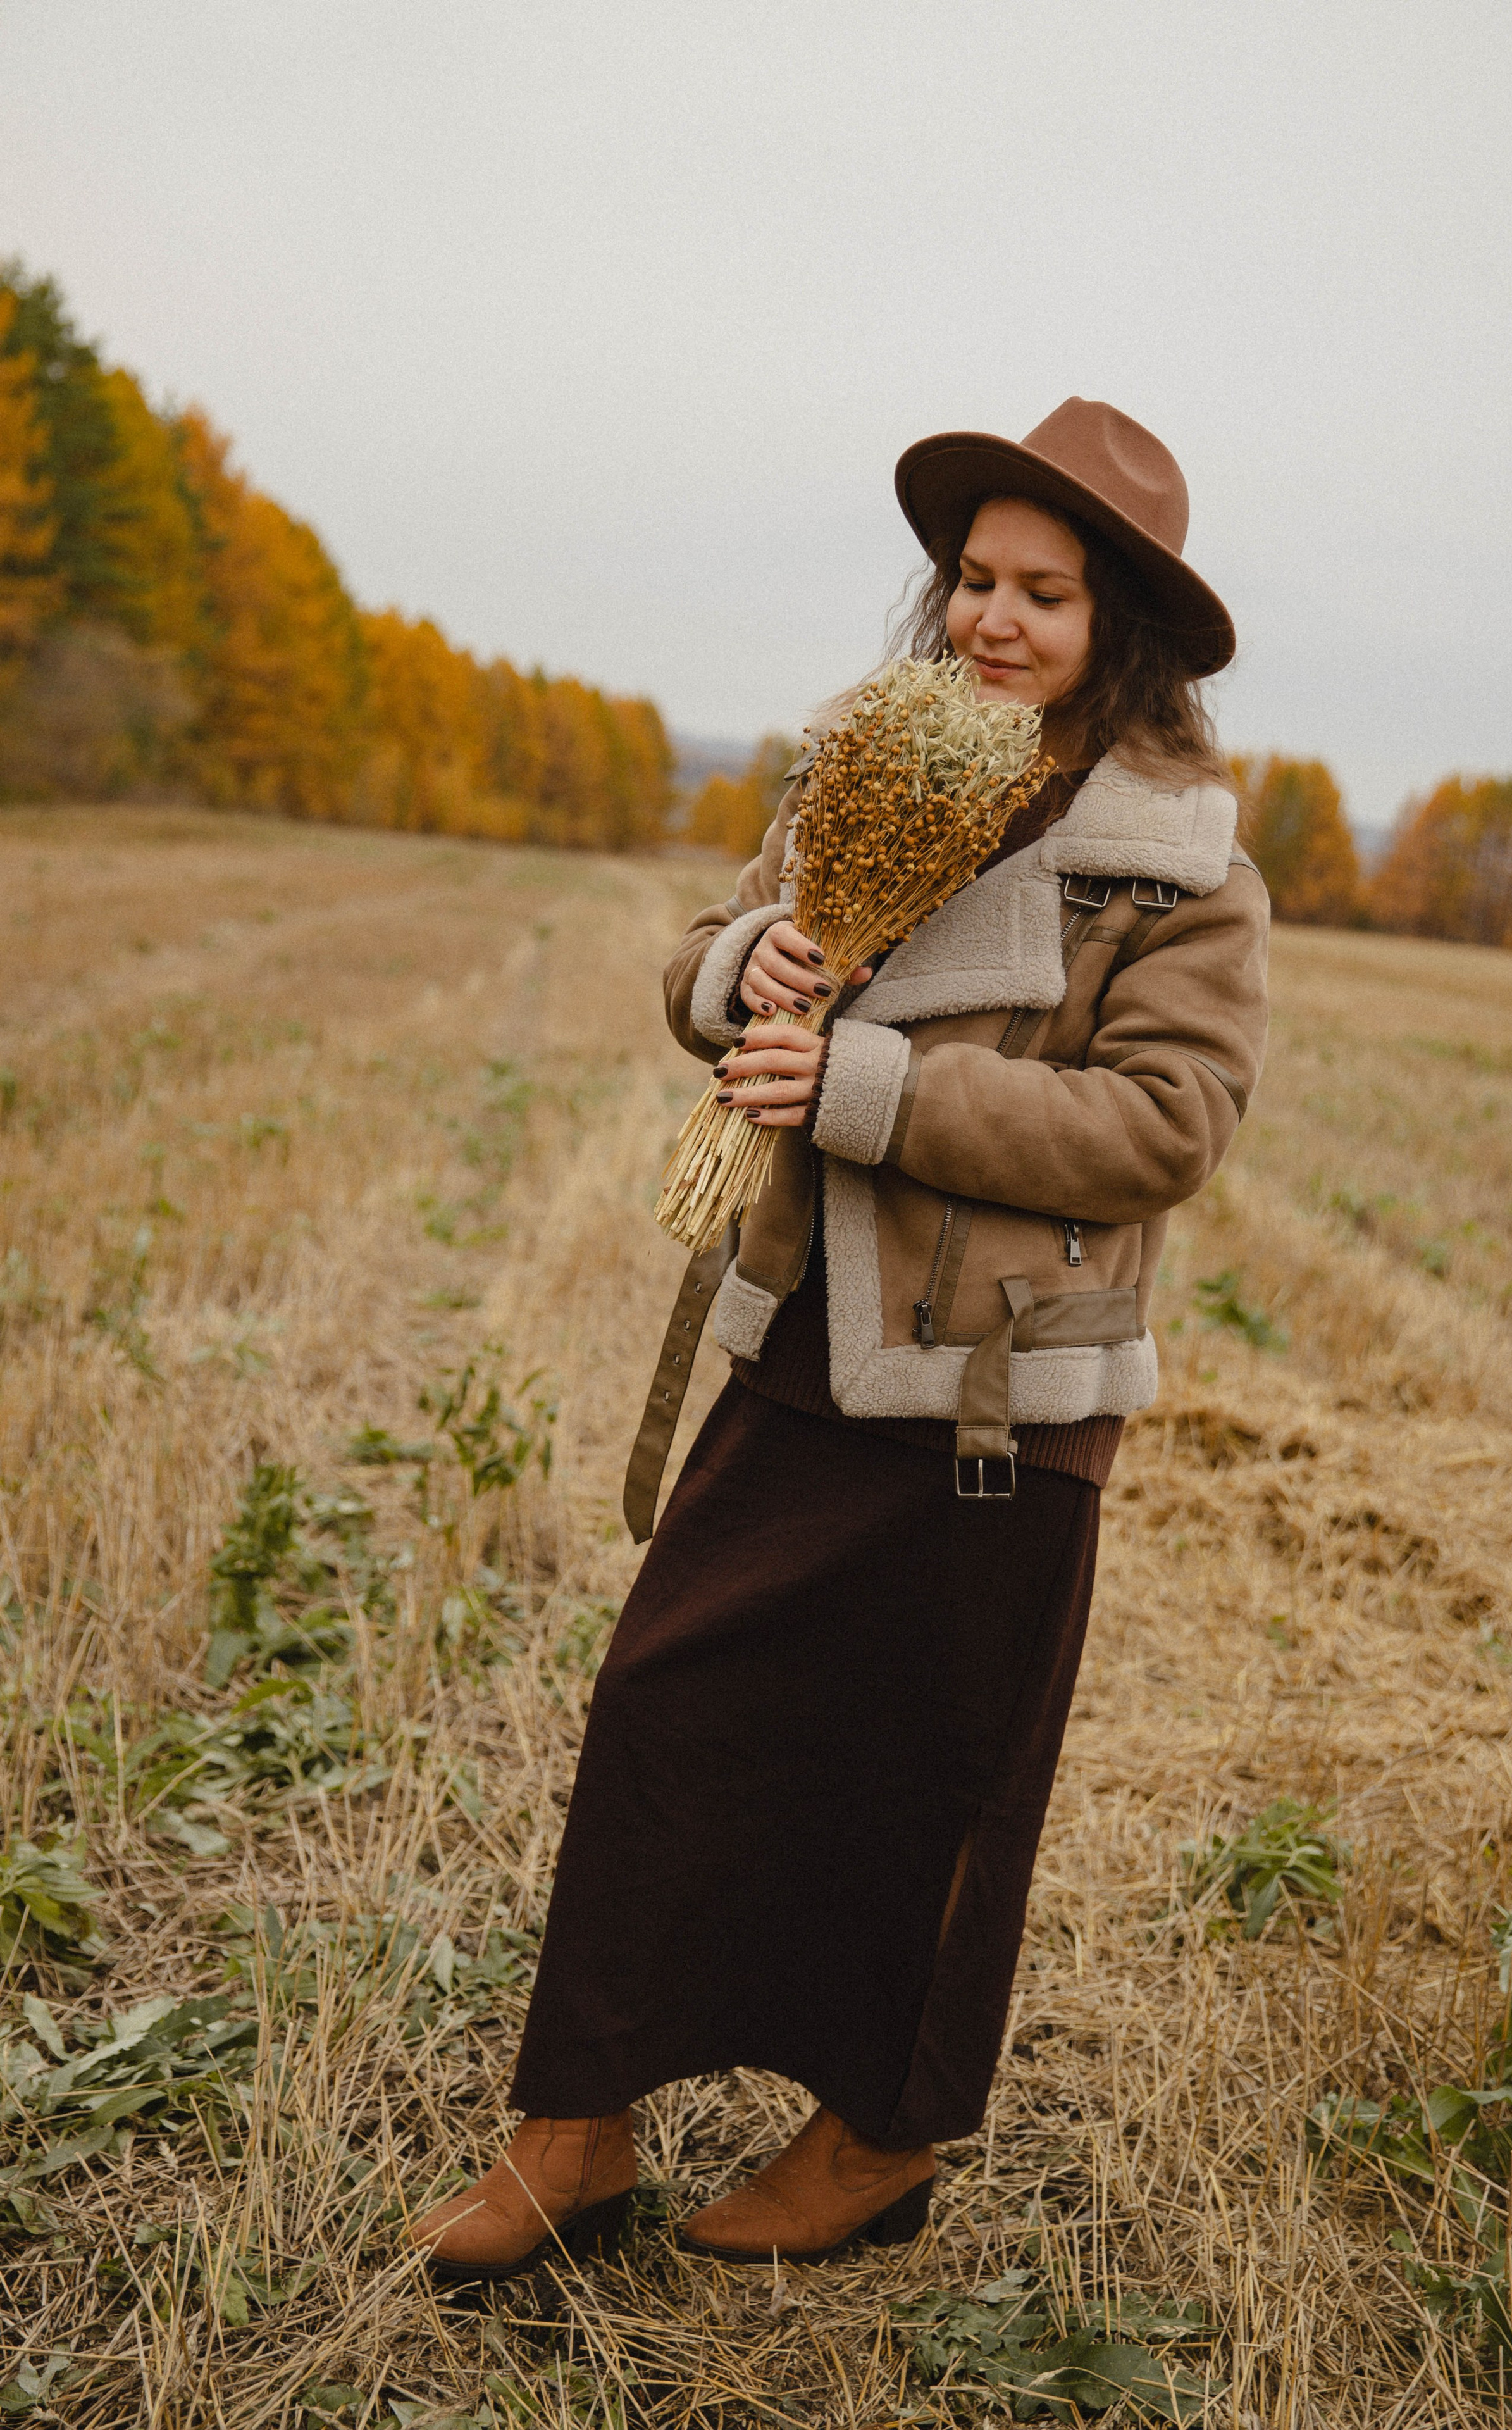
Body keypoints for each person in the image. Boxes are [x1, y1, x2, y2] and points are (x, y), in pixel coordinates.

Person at [411, 397, 1270, 2281]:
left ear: (1119, 626)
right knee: (667, 1706)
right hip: (806, 1334)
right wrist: (749, 977)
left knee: (935, 1779)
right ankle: (580, 2128)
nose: (995, 618)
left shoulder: (1180, 871)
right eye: (975, 577)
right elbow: (701, 959)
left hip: (997, 1395)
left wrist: (869, 1085)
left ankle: (878, 2144)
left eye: (1046, 592)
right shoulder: (874, 765)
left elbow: (1164, 1130)